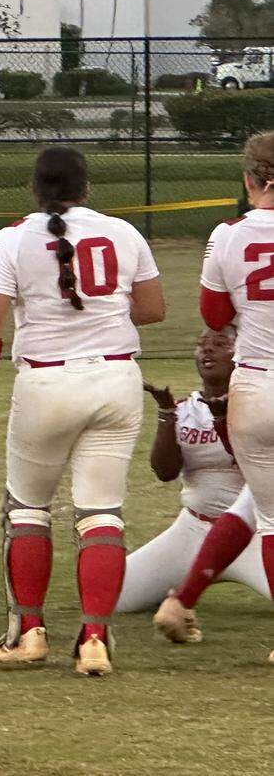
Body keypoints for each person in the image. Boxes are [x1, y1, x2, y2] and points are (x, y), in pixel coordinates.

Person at [0, 146, 165, 676]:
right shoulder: (124, 233)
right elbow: (152, 309)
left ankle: (27, 633)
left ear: (34, 190)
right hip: (115, 378)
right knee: (100, 513)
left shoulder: (12, 238)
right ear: (87, 188)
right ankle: (95, 639)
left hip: (46, 381)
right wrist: (97, 316)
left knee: (28, 508)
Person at [117, 328, 268, 627]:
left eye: (219, 344)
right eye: (202, 345)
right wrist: (166, 413)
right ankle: (179, 591)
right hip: (194, 529)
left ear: (241, 354)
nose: (207, 351)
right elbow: (164, 472)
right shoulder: (188, 409)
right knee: (117, 595)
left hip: (253, 534)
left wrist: (224, 420)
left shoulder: (261, 408)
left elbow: (253, 464)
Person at [192, 131, 274, 663]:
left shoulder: (227, 235)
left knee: (271, 520)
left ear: (248, 181)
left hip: (258, 383)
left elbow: (215, 317)